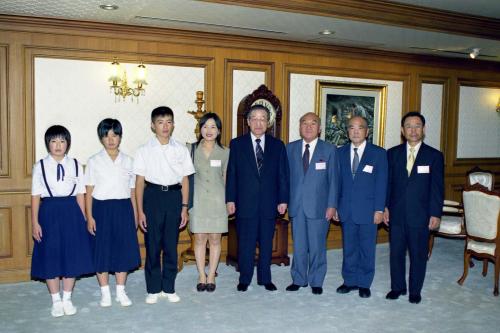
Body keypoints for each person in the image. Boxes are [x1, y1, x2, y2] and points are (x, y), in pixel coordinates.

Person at [30, 125, 94, 317]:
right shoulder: (40, 166)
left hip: (71, 212)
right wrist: (35, 222)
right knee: (51, 255)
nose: (58, 145)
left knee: (71, 256)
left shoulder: (75, 164)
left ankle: (67, 298)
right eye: (54, 141)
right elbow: (34, 196)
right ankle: (55, 300)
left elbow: (80, 194)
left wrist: (82, 219)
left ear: (68, 143)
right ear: (48, 144)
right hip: (49, 212)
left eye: (62, 141)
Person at [134, 106, 195, 304]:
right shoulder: (143, 150)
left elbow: (185, 180)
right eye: (160, 122)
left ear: (173, 125)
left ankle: (169, 287)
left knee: (170, 245)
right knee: (153, 246)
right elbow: (139, 182)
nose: (165, 126)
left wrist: (184, 207)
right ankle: (153, 288)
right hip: (152, 197)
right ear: (153, 126)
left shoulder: (181, 149)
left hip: (174, 198)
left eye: (168, 122)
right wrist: (140, 211)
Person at [226, 104, 289, 292]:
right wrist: (230, 200)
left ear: (268, 122)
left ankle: (265, 278)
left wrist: (283, 199)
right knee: (245, 243)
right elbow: (232, 174)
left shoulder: (278, 145)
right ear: (248, 121)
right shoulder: (237, 144)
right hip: (245, 203)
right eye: (255, 118)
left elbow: (283, 176)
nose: (258, 122)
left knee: (266, 243)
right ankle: (244, 278)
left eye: (263, 118)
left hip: (269, 204)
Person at [384, 111, 444, 304]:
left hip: (421, 215)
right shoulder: (392, 153)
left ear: (423, 129)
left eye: (417, 126)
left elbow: (437, 188)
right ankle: (397, 287)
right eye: (409, 126)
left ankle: (415, 291)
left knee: (418, 254)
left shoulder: (434, 156)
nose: (413, 130)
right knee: (396, 253)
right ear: (402, 130)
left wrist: (435, 213)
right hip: (397, 213)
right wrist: (385, 207)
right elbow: (388, 184)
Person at [85, 118, 141, 307]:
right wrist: (89, 216)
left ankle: (120, 290)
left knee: (122, 250)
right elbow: (89, 192)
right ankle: (105, 292)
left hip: (123, 207)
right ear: (101, 138)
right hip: (101, 209)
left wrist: (134, 216)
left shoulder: (129, 161)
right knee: (102, 251)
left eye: (114, 135)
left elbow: (133, 192)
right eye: (106, 135)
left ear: (120, 137)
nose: (111, 139)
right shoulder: (94, 161)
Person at [334, 116, 388, 298]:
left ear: (367, 131)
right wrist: (334, 207)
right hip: (346, 210)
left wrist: (379, 209)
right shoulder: (339, 153)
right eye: (351, 128)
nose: (355, 131)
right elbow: (336, 183)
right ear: (347, 131)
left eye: (360, 128)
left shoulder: (379, 154)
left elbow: (382, 184)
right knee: (349, 247)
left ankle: (364, 282)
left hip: (369, 210)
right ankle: (349, 281)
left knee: (367, 248)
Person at [285, 112, 338, 295]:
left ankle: (316, 281)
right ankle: (298, 279)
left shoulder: (330, 150)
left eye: (313, 123)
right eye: (304, 123)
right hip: (297, 206)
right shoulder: (289, 148)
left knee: (317, 246)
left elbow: (334, 180)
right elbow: (284, 179)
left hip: (319, 207)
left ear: (320, 128)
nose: (308, 127)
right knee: (298, 246)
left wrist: (332, 205)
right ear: (299, 127)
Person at [188, 113, 229, 292]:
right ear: (200, 129)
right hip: (197, 201)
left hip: (218, 201)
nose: (209, 130)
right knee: (199, 239)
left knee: (214, 239)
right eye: (205, 126)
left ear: (219, 130)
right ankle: (201, 275)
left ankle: (211, 275)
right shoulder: (190, 149)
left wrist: (229, 202)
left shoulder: (226, 152)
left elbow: (227, 179)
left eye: (213, 127)